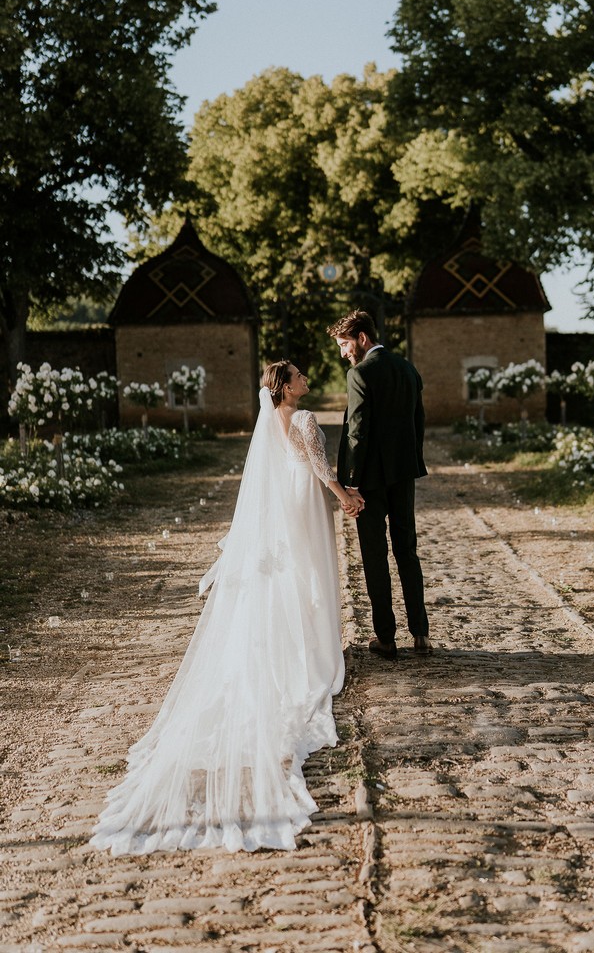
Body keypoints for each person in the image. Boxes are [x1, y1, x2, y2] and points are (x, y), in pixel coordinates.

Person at [90, 361, 358, 855]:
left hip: (285, 504)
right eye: (297, 376)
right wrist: (343, 495)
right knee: (310, 573)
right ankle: (316, 648)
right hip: (304, 500)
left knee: (290, 578)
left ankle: (302, 636)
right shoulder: (303, 420)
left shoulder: (271, 422)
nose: (304, 380)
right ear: (284, 387)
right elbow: (320, 467)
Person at [327, 310, 431, 661]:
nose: (343, 352)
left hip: (369, 482)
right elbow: (419, 421)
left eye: (344, 344)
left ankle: (386, 638)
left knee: (375, 556)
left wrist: (351, 483)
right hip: (403, 476)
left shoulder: (360, 373)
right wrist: (411, 462)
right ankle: (421, 633)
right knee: (407, 550)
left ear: (361, 338)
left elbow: (357, 431)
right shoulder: (408, 368)